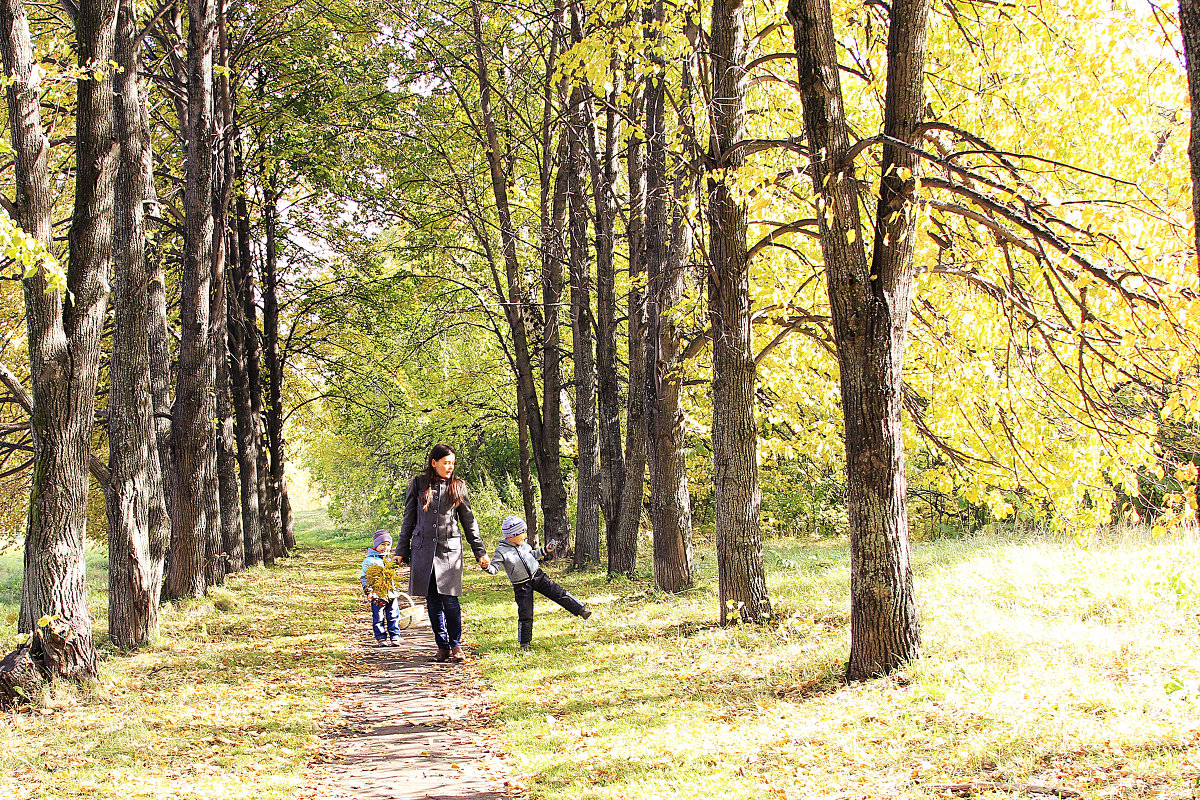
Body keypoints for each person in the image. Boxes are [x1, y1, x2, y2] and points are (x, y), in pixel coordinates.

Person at [397, 443, 490, 663]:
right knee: (433, 601)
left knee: (450, 600)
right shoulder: (418, 484)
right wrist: (400, 550)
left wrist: (480, 551)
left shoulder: (458, 486)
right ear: (434, 463)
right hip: (423, 551)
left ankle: (456, 645)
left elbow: (469, 522)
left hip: (450, 552)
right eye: (446, 463)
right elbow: (408, 519)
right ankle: (442, 645)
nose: (450, 467)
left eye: (452, 463)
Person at [485, 515, 591, 651]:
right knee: (525, 613)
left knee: (559, 592)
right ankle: (524, 643)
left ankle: (581, 609)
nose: (525, 536)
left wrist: (546, 550)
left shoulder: (524, 545)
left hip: (538, 576)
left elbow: (533, 554)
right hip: (521, 586)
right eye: (522, 533)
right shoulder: (501, 551)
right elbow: (494, 569)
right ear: (513, 535)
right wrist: (486, 566)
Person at [360, 530, 403, 647]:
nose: (385, 548)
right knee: (378, 617)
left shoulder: (389, 560)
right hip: (377, 595)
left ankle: (395, 637)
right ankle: (381, 638)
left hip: (391, 594)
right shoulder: (369, 560)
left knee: (393, 615)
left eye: (388, 545)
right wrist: (368, 591)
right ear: (376, 545)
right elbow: (365, 577)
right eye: (382, 545)